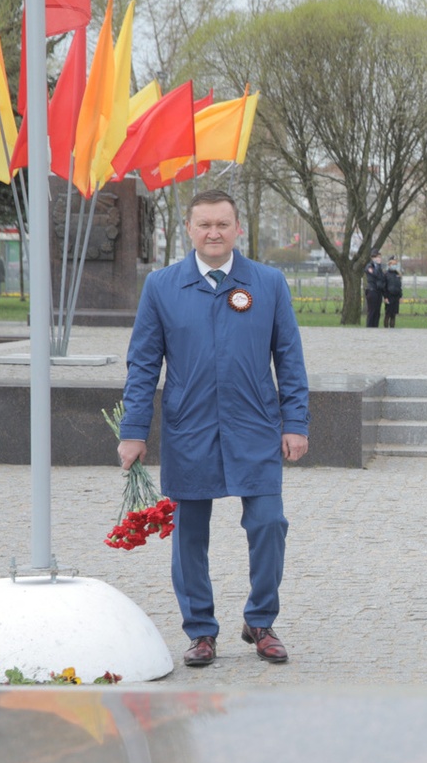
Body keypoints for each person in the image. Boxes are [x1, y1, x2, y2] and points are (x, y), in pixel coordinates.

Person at [118, 189, 309, 668]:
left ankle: (260, 621)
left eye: (222, 224)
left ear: (237, 228)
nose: (213, 233)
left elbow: (289, 359)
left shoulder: (267, 283)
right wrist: (134, 429)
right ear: (188, 229)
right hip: (190, 429)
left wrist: (296, 423)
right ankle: (201, 631)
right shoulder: (162, 286)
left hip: (255, 427)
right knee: (188, 537)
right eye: (204, 224)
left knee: (269, 523)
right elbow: (143, 364)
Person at [362, 258, 385, 329]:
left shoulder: (379, 268)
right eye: (377, 257)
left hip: (378, 290)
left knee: (377, 311)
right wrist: (378, 266)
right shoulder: (369, 266)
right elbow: (375, 274)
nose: (379, 259)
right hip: (372, 290)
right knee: (372, 311)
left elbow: (382, 278)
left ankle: (375, 327)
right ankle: (369, 327)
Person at [383, 256, 403, 328]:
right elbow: (384, 287)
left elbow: (400, 286)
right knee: (388, 314)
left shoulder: (397, 274)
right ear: (389, 264)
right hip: (389, 296)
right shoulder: (386, 274)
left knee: (393, 315)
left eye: (395, 264)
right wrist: (385, 297)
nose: (394, 266)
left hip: (396, 297)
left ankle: (392, 328)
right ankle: (385, 328)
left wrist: (400, 296)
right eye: (393, 264)